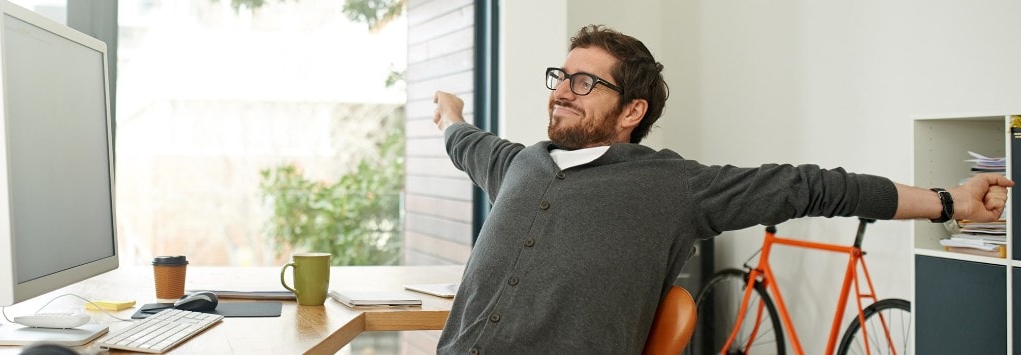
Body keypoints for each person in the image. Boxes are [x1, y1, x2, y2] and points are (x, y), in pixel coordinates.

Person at [431, 24, 1013, 354]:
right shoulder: (518, 164)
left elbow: (811, 188)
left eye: (585, 82)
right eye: (561, 77)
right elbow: (462, 139)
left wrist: (950, 202)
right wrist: (451, 111)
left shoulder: (671, 186)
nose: (562, 90)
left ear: (633, 110)